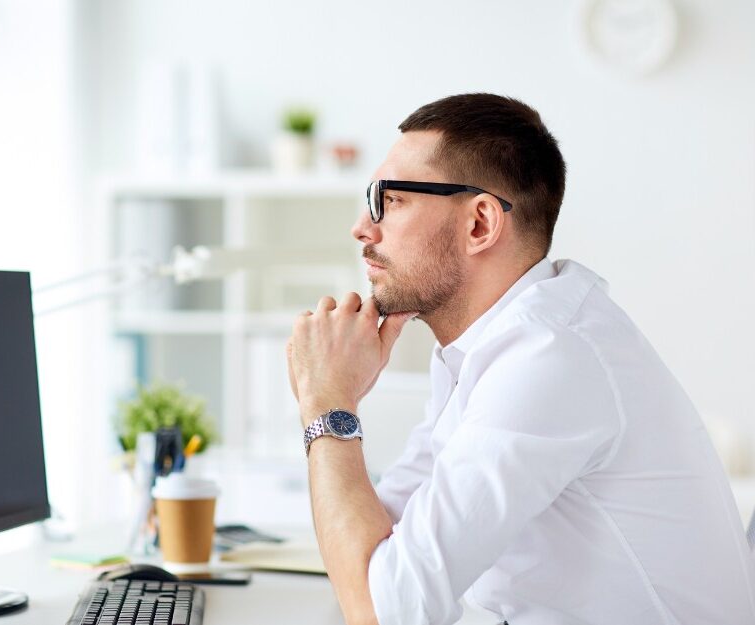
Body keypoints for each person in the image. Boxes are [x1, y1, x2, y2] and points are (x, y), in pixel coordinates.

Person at [286, 93, 755, 625]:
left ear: (481, 224)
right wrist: (329, 401)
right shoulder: (480, 351)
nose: (363, 228)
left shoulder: (550, 357)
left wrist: (326, 400)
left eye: (391, 201)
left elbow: (382, 613)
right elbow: (369, 562)